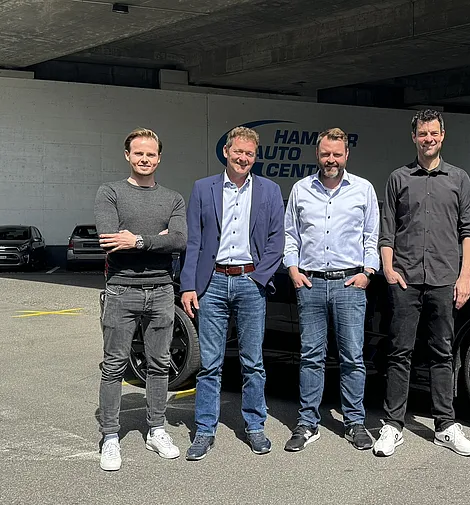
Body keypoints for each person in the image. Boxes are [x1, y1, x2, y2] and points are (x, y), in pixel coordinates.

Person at [373, 109, 470, 457]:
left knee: (442, 353)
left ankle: (445, 426)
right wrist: (388, 269)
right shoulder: (398, 178)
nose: (428, 139)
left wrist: (465, 276)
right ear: (414, 137)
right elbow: (387, 230)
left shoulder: (459, 178)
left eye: (433, 133)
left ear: (442, 136)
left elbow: (469, 232)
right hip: (405, 280)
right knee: (399, 353)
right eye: (422, 134)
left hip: (444, 279)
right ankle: (393, 425)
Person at [180, 126, 284, 460]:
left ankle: (255, 426)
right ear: (226, 151)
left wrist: (259, 279)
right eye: (238, 151)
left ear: (256, 156)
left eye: (249, 153)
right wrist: (189, 285)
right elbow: (193, 241)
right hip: (212, 283)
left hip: (250, 282)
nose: (243, 158)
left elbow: (277, 240)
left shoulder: (269, 190)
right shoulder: (203, 188)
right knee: (210, 364)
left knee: (253, 362)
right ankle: (204, 430)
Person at [95, 128, 187, 471]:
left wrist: (136, 240)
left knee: (159, 364)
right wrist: (157, 239)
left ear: (159, 158)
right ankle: (110, 436)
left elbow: (180, 241)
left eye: (150, 154)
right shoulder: (110, 192)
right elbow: (109, 240)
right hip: (121, 290)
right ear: (127, 155)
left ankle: (157, 430)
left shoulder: (173, 198)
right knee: (114, 366)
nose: (144, 159)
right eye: (139, 153)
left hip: (162, 290)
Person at [283, 127, 379, 451]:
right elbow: (290, 235)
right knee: (311, 356)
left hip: (350, 284)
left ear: (346, 155)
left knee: (352, 357)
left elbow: (371, 236)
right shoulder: (301, 189)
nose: (331, 159)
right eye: (326, 154)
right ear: (317, 154)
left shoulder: (363, 190)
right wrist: (293, 269)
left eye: (337, 154)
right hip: (310, 284)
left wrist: (368, 273)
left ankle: (354, 422)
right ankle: (307, 423)